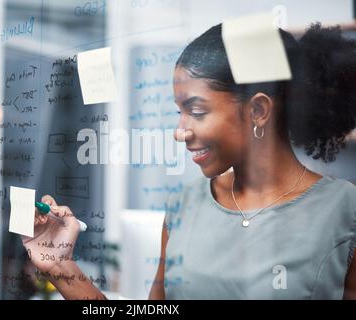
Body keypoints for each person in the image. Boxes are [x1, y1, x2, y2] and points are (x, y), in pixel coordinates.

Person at [22, 22, 356, 299]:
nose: (180, 132)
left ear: (257, 110)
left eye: (196, 112)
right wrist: (60, 265)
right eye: (180, 113)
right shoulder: (186, 203)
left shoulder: (345, 211)